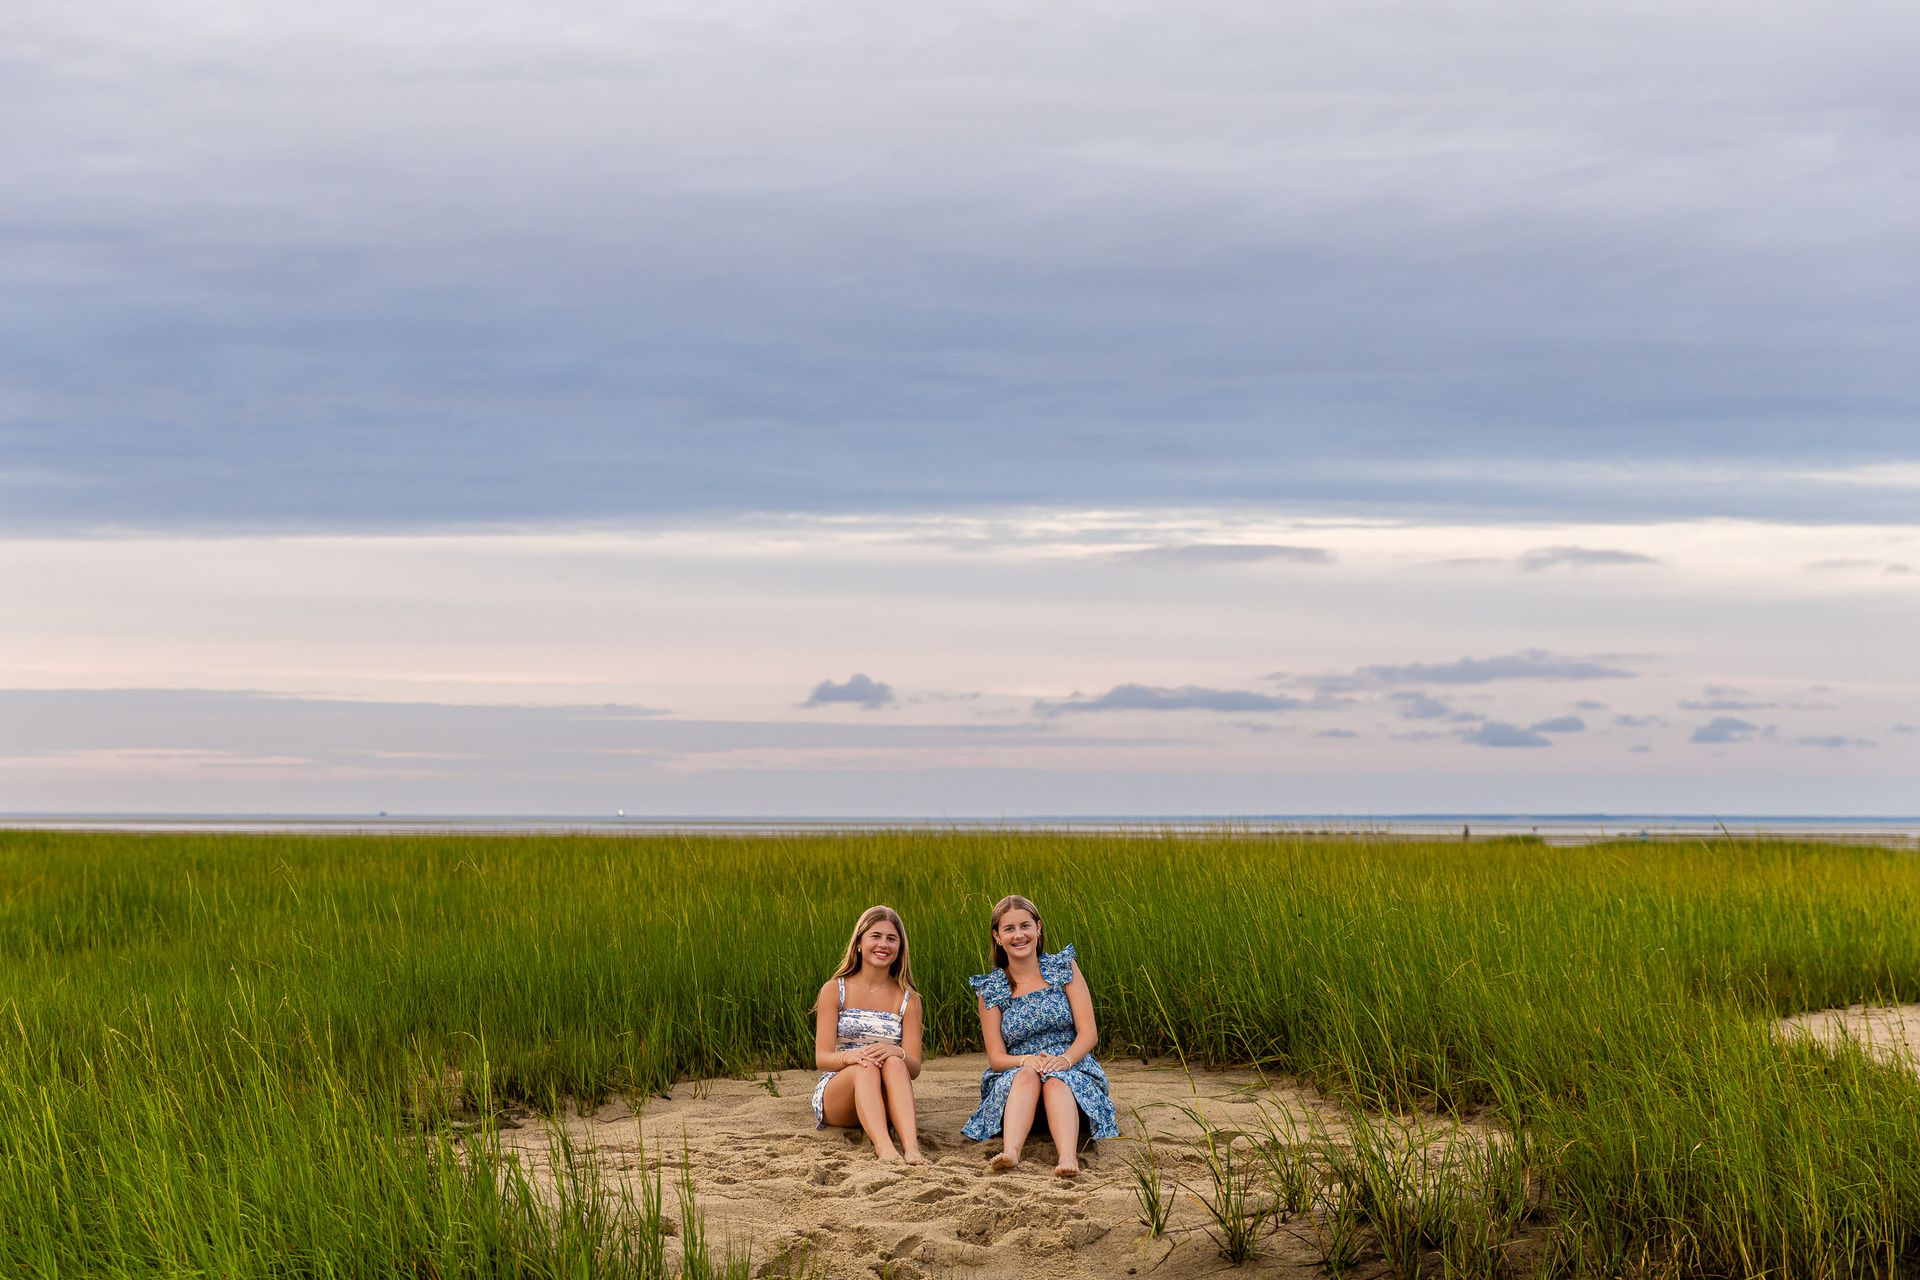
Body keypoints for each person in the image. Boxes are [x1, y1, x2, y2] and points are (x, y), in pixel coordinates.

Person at [962, 894, 1117, 1176]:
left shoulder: (1063, 968)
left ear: (1038, 928)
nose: (1018, 935)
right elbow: (996, 1058)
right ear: (997, 936)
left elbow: (1088, 1033)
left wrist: (1064, 1060)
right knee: (1027, 1075)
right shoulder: (991, 988)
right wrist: (1027, 1061)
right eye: (1009, 929)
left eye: (1025, 926)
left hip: (1070, 1066)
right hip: (1019, 1074)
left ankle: (1068, 1158)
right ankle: (1011, 1151)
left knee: (1056, 1081)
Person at [812, 904, 925, 1165]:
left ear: (900, 948)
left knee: (895, 1062)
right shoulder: (834, 990)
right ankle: (884, 1148)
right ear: (860, 943)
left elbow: (914, 1067)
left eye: (891, 938)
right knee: (866, 1065)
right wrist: (852, 1057)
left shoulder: (908, 999)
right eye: (876, 936)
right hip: (840, 1093)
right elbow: (822, 1058)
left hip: (884, 1097)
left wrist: (897, 1052)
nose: (883, 945)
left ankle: (912, 1148)